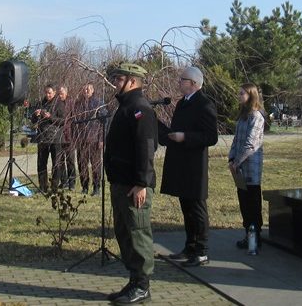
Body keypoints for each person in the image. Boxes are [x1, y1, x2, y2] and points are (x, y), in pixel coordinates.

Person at [103, 63, 157, 304]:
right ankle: (134, 280)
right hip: (121, 183)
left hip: (134, 186)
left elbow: (146, 146)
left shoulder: (139, 108)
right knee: (125, 233)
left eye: (120, 78)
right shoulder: (126, 106)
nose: (116, 82)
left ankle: (143, 285)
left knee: (138, 233)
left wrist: (142, 182)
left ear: (133, 81)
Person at [158, 65, 218, 267]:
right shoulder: (182, 103)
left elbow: (211, 137)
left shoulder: (205, 104)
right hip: (180, 162)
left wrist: (185, 137)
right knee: (186, 207)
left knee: (197, 208)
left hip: (194, 165)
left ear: (193, 83)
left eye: (182, 79)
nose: (179, 82)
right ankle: (189, 246)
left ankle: (202, 251)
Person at [228, 83, 265, 249]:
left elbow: (250, 144)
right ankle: (247, 233)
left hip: (251, 167)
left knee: (253, 202)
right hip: (239, 167)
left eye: (242, 93)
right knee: (243, 201)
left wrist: (237, 161)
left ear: (251, 95)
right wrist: (231, 159)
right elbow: (236, 140)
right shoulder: (242, 117)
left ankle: (255, 235)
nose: (239, 96)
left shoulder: (256, 117)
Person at [75, 82, 105, 195]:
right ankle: (84, 187)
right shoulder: (78, 104)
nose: (86, 91)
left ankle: (96, 187)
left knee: (96, 165)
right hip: (81, 139)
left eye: (88, 89)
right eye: (84, 89)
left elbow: (103, 123)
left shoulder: (98, 103)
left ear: (92, 90)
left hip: (94, 140)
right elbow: (74, 122)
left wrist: (101, 139)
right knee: (82, 164)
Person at [31, 85, 62, 192]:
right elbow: (33, 121)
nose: (47, 95)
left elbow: (63, 121)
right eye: (46, 93)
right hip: (42, 136)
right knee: (41, 163)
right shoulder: (40, 103)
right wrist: (35, 115)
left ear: (54, 92)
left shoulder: (59, 104)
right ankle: (43, 186)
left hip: (55, 137)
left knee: (56, 164)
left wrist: (50, 117)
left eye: (49, 93)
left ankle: (54, 187)